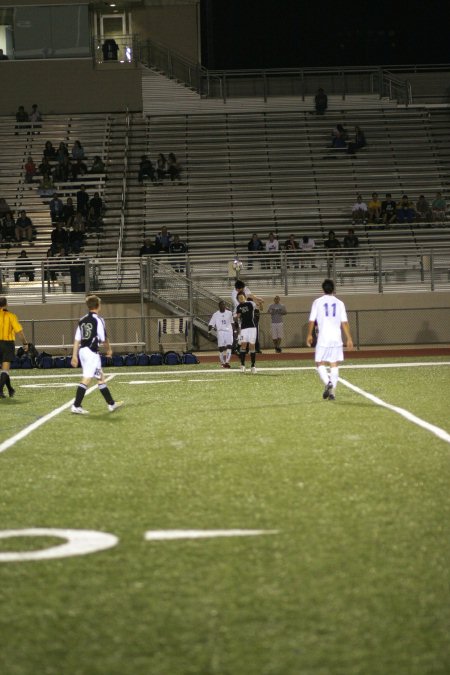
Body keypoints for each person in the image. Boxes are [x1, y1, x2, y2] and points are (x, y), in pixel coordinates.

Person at [70, 295, 123, 414]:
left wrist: (74, 356)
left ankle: (111, 404)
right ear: (98, 306)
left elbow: (77, 340)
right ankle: (76, 405)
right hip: (91, 353)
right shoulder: (98, 320)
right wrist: (109, 350)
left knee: (100, 377)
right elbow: (104, 338)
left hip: (84, 351)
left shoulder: (82, 320)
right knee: (87, 378)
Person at [306, 278, 353, 401]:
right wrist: (349, 338)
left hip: (323, 338)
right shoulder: (340, 303)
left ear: (323, 289)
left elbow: (312, 320)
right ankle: (332, 392)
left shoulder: (317, 302)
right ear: (333, 289)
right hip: (336, 337)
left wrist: (309, 335)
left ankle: (328, 382)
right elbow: (344, 322)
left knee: (319, 362)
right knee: (334, 364)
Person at [0, 296, 29, 398]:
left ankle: (10, 389)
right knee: (5, 370)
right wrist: (25, 343)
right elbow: (19, 332)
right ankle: (0, 390)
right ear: (6, 304)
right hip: (7, 344)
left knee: (3, 369)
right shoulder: (11, 316)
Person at [235, 293, 260, 374]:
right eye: (239, 297)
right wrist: (236, 316)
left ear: (245, 297)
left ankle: (253, 366)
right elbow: (238, 316)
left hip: (252, 327)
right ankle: (242, 365)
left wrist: (254, 297)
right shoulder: (238, 307)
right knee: (243, 345)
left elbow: (260, 304)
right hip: (244, 328)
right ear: (237, 299)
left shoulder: (250, 303)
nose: (240, 298)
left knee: (252, 346)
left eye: (241, 296)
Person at [208, 300, 235, 368]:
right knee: (221, 348)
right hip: (220, 332)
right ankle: (222, 363)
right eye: (221, 305)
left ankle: (227, 362)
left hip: (229, 331)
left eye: (224, 305)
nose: (223, 306)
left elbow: (232, 322)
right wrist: (209, 332)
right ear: (219, 306)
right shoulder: (215, 314)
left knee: (229, 346)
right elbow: (211, 324)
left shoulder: (229, 313)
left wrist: (235, 331)